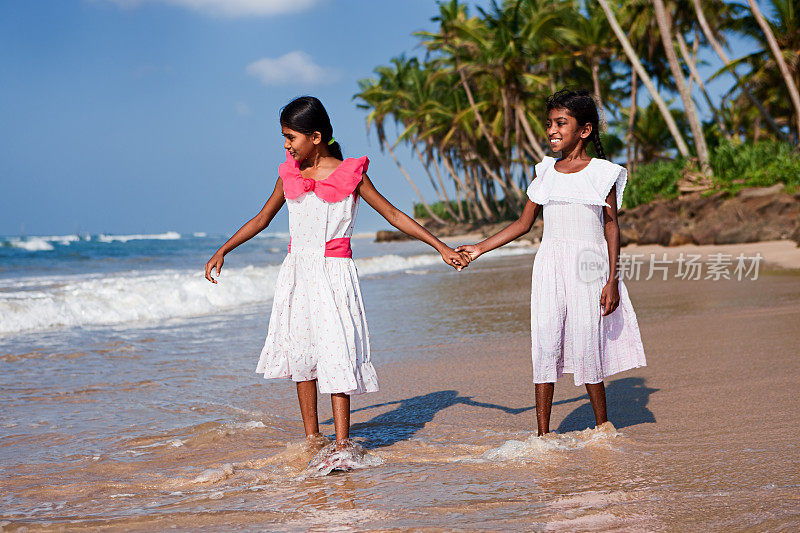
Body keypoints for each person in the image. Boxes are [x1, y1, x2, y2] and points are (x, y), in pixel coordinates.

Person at [204, 96, 469, 457]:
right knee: (303, 352)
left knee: (336, 351)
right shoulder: (289, 175)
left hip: (334, 275)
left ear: (315, 137)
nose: (285, 145)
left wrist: (440, 246)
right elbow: (261, 219)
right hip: (297, 273)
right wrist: (224, 249)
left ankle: (343, 444)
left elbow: (392, 214)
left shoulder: (351, 173)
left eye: (290, 137)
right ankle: (313, 439)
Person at [456, 89, 646, 436]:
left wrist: (613, 280)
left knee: (588, 340)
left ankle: (602, 426)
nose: (552, 131)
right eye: (549, 124)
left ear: (584, 130)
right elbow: (522, 224)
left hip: (589, 267)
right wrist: (480, 248)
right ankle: (543, 435)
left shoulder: (603, 173)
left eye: (561, 123)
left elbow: (611, 227)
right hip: (548, 267)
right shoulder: (545, 171)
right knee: (544, 343)